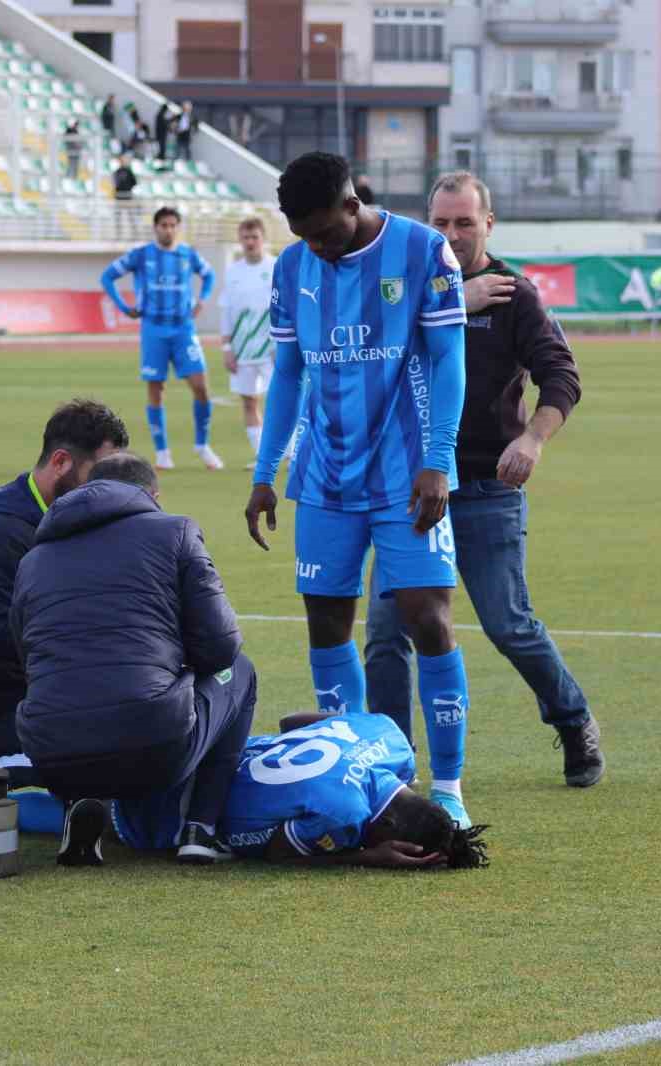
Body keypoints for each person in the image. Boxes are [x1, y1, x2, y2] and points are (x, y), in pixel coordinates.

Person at [244, 151, 475, 828]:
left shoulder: (425, 251)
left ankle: (451, 787)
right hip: (323, 475)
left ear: (353, 204)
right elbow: (287, 373)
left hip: (409, 475)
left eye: (325, 231)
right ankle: (358, 778)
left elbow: (449, 358)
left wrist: (438, 458)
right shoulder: (293, 268)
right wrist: (265, 473)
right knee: (325, 623)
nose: (316, 246)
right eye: (304, 236)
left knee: (428, 620)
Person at [363, 171, 600, 788]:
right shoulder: (403, 287)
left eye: (464, 222)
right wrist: (449, 304)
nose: (450, 234)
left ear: (488, 224)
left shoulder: (514, 295)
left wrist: (533, 437)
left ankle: (573, 718)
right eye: (439, 222)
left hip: (485, 485)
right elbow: (368, 346)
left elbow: (561, 375)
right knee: (388, 631)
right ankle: (392, 765)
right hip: (409, 488)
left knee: (507, 623)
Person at [11, 453, 255, 866]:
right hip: (154, 744)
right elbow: (220, 646)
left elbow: (27, 659)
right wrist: (180, 664)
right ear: (152, 495)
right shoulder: (175, 531)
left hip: (53, 753)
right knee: (241, 672)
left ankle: (80, 802)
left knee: (72, 688)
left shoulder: (33, 558)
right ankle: (201, 828)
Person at [0, 400, 127, 766]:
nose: (108, 490)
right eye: (98, 475)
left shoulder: (75, 518)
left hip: (39, 693)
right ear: (61, 462)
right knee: (118, 737)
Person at [113, 710, 489, 869]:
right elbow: (280, 854)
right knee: (76, 809)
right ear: (388, 823)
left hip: (197, 746)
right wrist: (365, 857)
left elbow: (290, 721)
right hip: (161, 806)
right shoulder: (344, 817)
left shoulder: (392, 739)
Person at [100, 206, 221, 470]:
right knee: (156, 389)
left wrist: (202, 300)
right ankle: (163, 453)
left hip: (184, 329)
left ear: (178, 227)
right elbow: (107, 277)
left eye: (172, 225)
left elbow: (210, 275)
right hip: (153, 329)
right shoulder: (142, 255)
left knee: (201, 387)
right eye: (163, 225)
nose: (168, 229)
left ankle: (203, 445)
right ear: (155, 227)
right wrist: (124, 307)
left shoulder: (188, 254)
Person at [219, 217, 274, 469]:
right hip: (243, 349)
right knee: (249, 401)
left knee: (281, 398)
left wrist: (284, 344)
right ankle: (263, 456)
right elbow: (226, 311)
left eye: (255, 237)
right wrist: (227, 348)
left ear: (263, 238)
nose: (250, 242)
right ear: (240, 240)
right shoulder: (233, 272)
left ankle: (293, 451)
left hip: (273, 347)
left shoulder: (275, 267)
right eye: (245, 237)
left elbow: (286, 308)